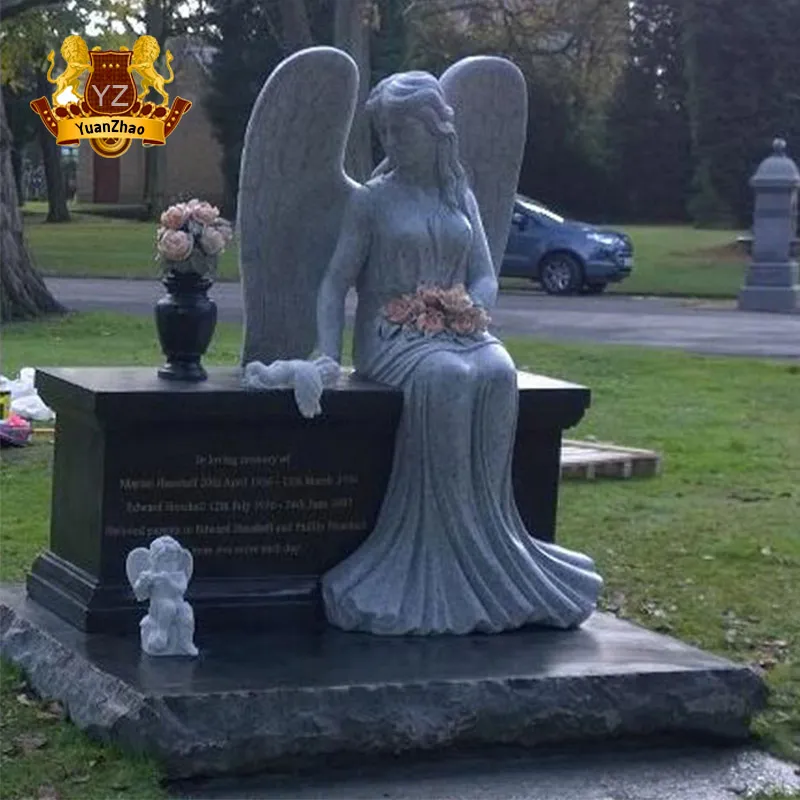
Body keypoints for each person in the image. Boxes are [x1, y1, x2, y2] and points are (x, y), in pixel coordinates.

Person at [316, 71, 602, 635]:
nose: (393, 143)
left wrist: (465, 308)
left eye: (403, 131)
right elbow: (333, 284)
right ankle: (436, 556)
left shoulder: (458, 195)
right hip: (389, 335)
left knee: (497, 372)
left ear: (434, 130)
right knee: (446, 377)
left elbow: (484, 275)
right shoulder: (372, 201)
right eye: (387, 133)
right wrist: (326, 355)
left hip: (454, 324)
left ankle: (496, 545)